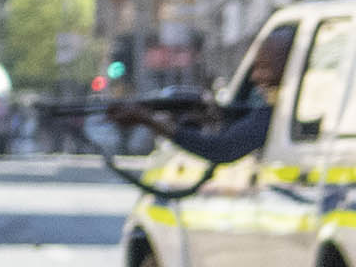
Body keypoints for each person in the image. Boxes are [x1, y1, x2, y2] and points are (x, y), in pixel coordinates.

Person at [111, 22, 292, 165]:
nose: (255, 77)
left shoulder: (283, 114)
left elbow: (223, 147)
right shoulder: (280, 111)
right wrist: (215, 115)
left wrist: (150, 121)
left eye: (264, 67)